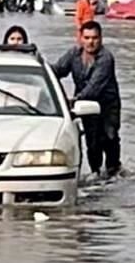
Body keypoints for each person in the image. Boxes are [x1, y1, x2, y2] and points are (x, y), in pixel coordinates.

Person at [52, 21, 121, 177]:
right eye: (87, 38)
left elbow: (93, 88)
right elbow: (58, 70)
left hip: (107, 106)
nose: (91, 42)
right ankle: (95, 173)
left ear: (101, 39)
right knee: (92, 141)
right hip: (86, 106)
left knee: (109, 137)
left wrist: (72, 100)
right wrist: (40, 70)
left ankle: (113, 171)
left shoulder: (105, 58)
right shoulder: (74, 54)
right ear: (80, 38)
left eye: (95, 38)